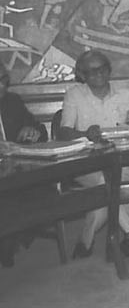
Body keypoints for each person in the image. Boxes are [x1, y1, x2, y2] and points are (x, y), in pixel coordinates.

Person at [59, 50, 129, 259]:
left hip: (123, 155)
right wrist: (85, 134)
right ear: (82, 75)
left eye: (103, 68)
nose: (99, 73)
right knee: (107, 183)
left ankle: (86, 239)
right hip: (88, 160)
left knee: (108, 184)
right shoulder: (74, 95)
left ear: (109, 70)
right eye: (92, 71)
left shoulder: (126, 93)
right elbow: (64, 132)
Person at [0, 64, 48, 267]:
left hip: (14, 172)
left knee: (42, 190)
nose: (1, 86)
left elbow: (40, 131)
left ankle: (11, 237)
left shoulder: (12, 102)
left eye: (4, 80)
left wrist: (33, 131)